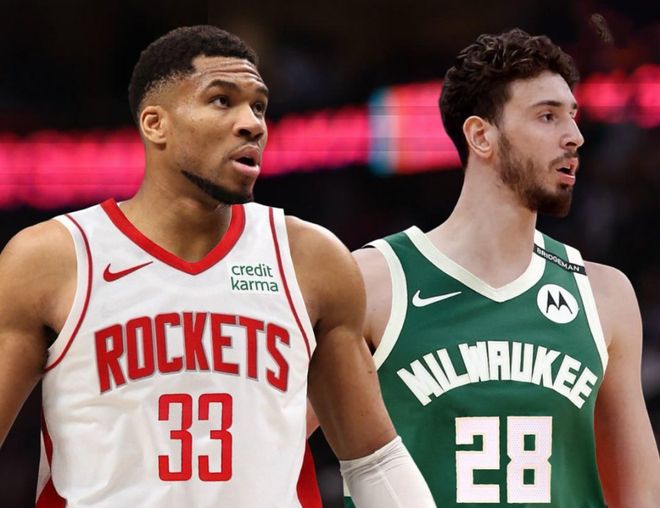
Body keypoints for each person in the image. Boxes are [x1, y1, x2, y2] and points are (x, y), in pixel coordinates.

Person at [0, 26, 435, 507]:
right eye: (222, 100)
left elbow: (374, 460)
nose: (252, 124)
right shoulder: (53, 258)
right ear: (155, 124)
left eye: (259, 107)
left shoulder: (310, 259)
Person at [347, 28, 660, 507]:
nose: (575, 136)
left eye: (572, 117)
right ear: (481, 136)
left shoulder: (605, 296)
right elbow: (274, 445)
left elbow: (640, 497)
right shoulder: (373, 281)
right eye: (548, 116)